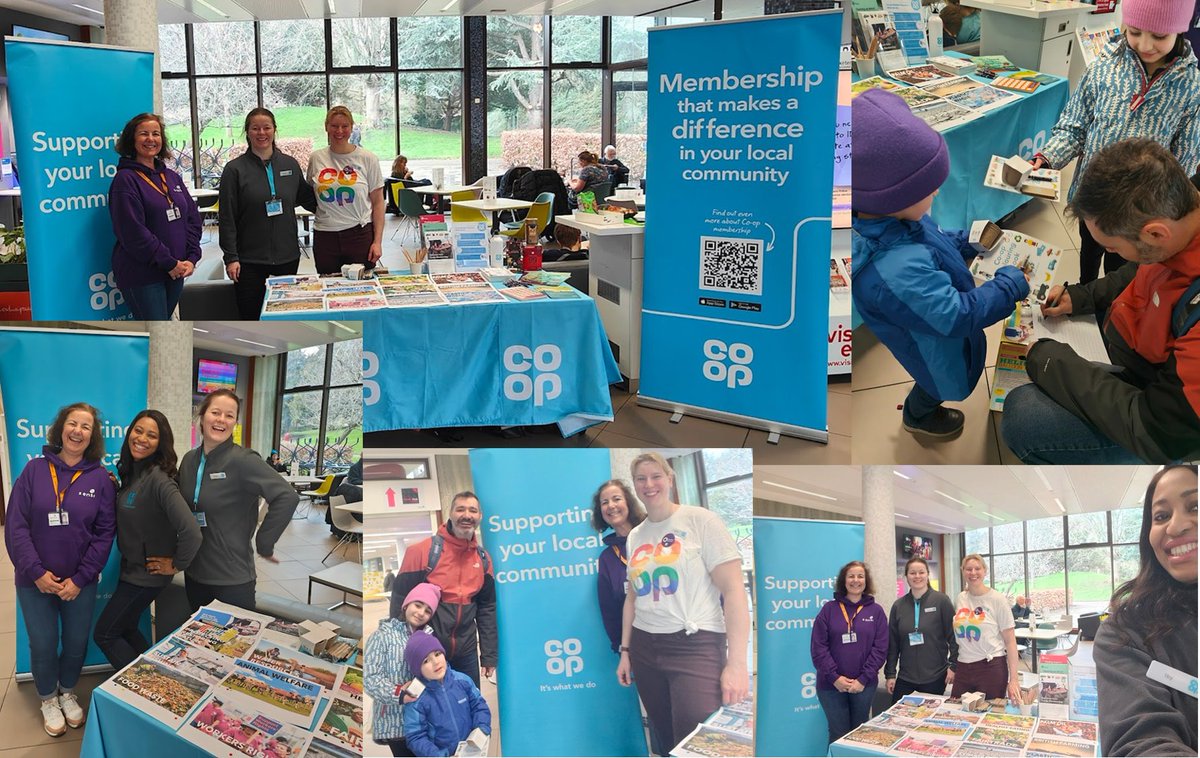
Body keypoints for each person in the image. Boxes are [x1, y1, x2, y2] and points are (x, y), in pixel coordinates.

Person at [1001, 139, 1200, 463]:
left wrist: (1048, 359)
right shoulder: (1183, 210)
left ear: (1155, 234)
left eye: (1114, 248)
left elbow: (1160, 433)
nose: (1110, 254)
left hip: (1163, 416)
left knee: (1025, 415)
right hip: (1143, 354)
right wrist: (1082, 296)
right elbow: (1145, 268)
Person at [852, 89, 1030, 438]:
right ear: (892, 196)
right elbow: (958, 316)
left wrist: (965, 242)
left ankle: (922, 408)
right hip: (931, 345)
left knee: (935, 375)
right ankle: (919, 417)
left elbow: (929, 241)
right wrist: (1009, 284)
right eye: (929, 189)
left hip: (931, 331)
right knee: (934, 381)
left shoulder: (892, 220)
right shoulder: (892, 270)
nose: (937, 193)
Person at [1031, 0, 1200, 283]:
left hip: (1139, 213)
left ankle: (1110, 309)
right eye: (1134, 31)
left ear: (1179, 31)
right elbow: (1074, 126)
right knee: (1089, 251)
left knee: (1120, 272)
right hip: (1093, 197)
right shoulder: (1102, 68)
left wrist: (1164, 214)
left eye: (1159, 36)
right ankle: (1085, 291)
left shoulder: (1192, 87)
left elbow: (1184, 162)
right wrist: (1048, 157)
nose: (1145, 45)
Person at [616, 453, 750, 752]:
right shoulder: (636, 536)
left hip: (695, 645)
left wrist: (737, 664)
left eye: (655, 476)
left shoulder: (701, 520)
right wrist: (626, 651)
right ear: (634, 485)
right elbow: (633, 597)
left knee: (697, 744)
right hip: (645, 646)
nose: (649, 484)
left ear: (670, 478)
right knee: (664, 739)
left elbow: (733, 592)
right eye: (641, 478)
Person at [4, 403, 116, 737]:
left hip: (78, 583)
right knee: (42, 643)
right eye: (72, 423)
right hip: (33, 580)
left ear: (92, 435)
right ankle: (47, 698)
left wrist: (80, 578)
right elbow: (16, 527)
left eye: (86, 426)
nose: (78, 430)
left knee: (76, 641)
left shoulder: (100, 478)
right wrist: (36, 571)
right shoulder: (34, 471)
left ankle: (67, 692)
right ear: (60, 428)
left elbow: (104, 532)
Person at [1096, 464, 1197, 755]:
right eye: (1162, 516)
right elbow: (1141, 741)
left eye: (1196, 506)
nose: (1175, 526)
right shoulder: (1126, 631)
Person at [93, 410, 202, 670]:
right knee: (127, 627)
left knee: (105, 634)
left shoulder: (160, 480)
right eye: (138, 431)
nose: (142, 438)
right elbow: (137, 508)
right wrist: (116, 488)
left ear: (160, 443)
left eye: (151, 435)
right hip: (130, 570)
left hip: (146, 576)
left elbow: (191, 531)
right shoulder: (133, 473)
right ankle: (161, 674)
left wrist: (176, 564)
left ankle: (144, 686)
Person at [178, 389, 299, 611]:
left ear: (235, 422)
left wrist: (264, 543)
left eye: (229, 415)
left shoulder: (243, 460)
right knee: (200, 644)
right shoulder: (188, 460)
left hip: (231, 579)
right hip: (194, 573)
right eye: (215, 412)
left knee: (233, 645)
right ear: (202, 415)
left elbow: (287, 496)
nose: (221, 420)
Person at [218, 108, 318, 320]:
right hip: (248, 260)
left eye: (266, 128)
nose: (261, 133)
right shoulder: (234, 170)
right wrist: (231, 257)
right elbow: (227, 218)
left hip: (288, 257)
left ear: (274, 130)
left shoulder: (289, 164)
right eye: (255, 128)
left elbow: (309, 199)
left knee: (285, 316)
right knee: (251, 318)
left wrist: (344, 204)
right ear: (247, 132)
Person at [392, 492, 497, 687]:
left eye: (473, 510)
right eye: (460, 509)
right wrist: (398, 653)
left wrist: (489, 655)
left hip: (466, 654)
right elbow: (399, 602)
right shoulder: (422, 552)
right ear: (450, 513)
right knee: (428, 708)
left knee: (468, 703)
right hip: (427, 652)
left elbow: (487, 608)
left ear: (480, 517)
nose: (467, 515)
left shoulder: (483, 559)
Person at [107, 112, 202, 319]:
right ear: (132, 140)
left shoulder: (171, 177)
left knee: (163, 328)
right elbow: (132, 232)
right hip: (144, 275)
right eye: (144, 134)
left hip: (178, 270)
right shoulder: (125, 180)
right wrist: (169, 263)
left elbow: (192, 219)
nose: (151, 139)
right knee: (154, 332)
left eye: (156, 134)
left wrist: (192, 258)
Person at [810, 561, 889, 744]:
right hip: (831, 686)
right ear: (843, 581)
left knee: (860, 733)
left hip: (864, 685)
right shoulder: (829, 609)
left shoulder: (876, 611)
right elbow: (818, 648)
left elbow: (880, 648)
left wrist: (863, 679)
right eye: (851, 576)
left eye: (860, 576)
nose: (856, 580)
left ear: (866, 581)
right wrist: (834, 677)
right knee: (838, 734)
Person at [306, 106, 385, 274]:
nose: (339, 131)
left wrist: (377, 242)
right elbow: (310, 194)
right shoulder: (316, 158)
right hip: (325, 235)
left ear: (351, 127)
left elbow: (378, 203)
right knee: (329, 286)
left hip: (359, 234)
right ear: (326, 127)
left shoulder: (367, 158)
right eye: (334, 126)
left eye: (345, 126)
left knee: (363, 291)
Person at [366, 583, 440, 757]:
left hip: (423, 720)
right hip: (395, 721)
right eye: (418, 605)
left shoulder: (429, 637)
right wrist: (399, 693)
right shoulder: (382, 636)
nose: (421, 613)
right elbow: (370, 678)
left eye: (428, 610)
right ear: (406, 604)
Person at [401, 633, 492, 758]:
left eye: (437, 654)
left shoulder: (463, 680)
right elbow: (415, 737)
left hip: (471, 751)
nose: (435, 662)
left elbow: (479, 706)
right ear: (417, 669)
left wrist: (482, 728)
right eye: (426, 661)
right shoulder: (416, 698)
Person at [885, 557, 957, 704]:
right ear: (906, 576)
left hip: (935, 676)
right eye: (912, 573)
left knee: (928, 722)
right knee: (900, 718)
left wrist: (953, 666)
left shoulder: (941, 601)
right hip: (906, 676)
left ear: (927, 574)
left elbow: (954, 636)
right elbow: (893, 644)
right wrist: (890, 674)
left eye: (921, 572)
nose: (917, 576)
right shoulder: (898, 606)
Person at [950, 554, 1021, 703]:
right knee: (958, 713)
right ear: (963, 572)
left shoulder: (997, 599)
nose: (973, 573)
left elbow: (1010, 641)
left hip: (990, 667)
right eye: (968, 569)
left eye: (977, 568)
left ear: (985, 571)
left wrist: (1014, 679)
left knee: (989, 717)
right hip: (963, 666)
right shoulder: (961, 598)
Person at [590, 479, 647, 653]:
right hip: (638, 648)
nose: (611, 506)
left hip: (675, 637)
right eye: (604, 502)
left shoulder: (653, 536)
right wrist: (622, 648)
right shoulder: (607, 558)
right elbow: (610, 611)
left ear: (628, 502)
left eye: (616, 499)